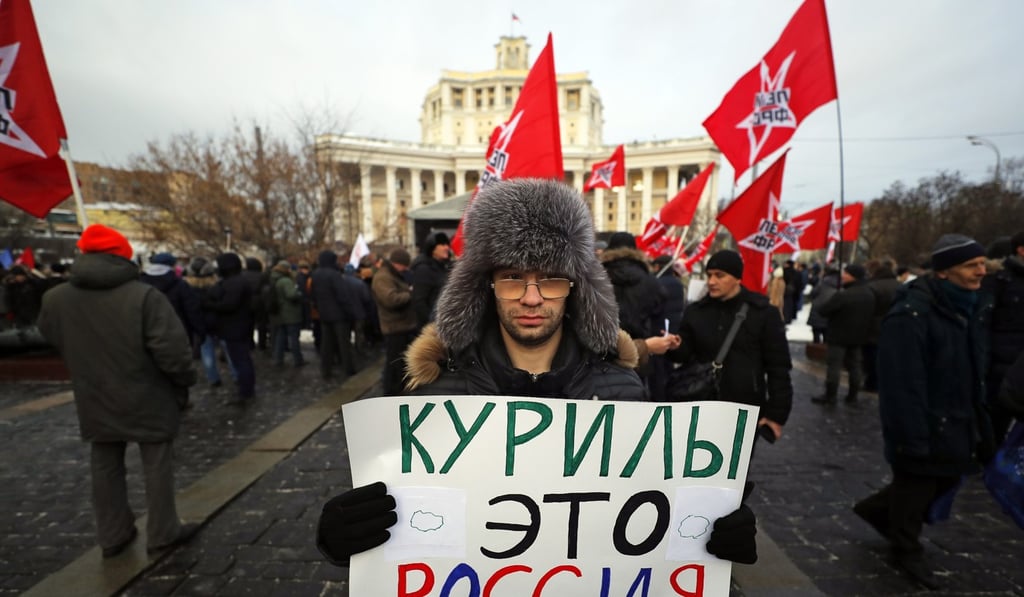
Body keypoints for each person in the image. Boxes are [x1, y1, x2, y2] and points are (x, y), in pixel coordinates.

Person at [316, 178, 758, 567]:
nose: (531, 298)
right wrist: (345, 542)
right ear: (486, 287)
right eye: (512, 277)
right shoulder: (432, 389)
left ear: (575, 289)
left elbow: (637, 519)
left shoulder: (623, 389)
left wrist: (702, 534)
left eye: (550, 278)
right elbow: (406, 519)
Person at [37, 224, 200, 558]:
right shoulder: (144, 297)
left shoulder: (56, 298)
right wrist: (185, 380)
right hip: (148, 392)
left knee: (105, 462)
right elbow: (171, 351)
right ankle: (163, 531)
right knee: (156, 461)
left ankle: (112, 533)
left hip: (94, 392)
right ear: (123, 256)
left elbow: (50, 335)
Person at [853, 234, 994, 589]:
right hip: (925, 417)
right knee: (915, 483)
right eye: (971, 265)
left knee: (948, 477)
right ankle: (905, 548)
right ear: (945, 272)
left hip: (959, 413)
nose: (982, 271)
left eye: (982, 263)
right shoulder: (911, 313)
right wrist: (910, 436)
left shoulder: (971, 305)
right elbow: (901, 382)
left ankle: (877, 510)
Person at [668, 249, 792, 444]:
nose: (711, 281)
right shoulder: (696, 311)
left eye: (720, 275)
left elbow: (779, 367)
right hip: (700, 404)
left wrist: (776, 415)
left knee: (735, 472)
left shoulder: (763, 313)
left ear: (736, 278)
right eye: (709, 275)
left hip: (743, 408)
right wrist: (674, 346)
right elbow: (685, 355)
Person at [812, 263, 876, 405]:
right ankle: (852, 396)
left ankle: (830, 395)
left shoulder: (844, 295)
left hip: (839, 336)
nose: (843, 276)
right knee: (855, 367)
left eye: (846, 273)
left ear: (853, 276)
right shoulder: (869, 293)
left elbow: (824, 310)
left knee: (834, 366)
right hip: (859, 336)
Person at [982, 230, 1024, 443]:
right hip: (1000, 366)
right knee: (995, 421)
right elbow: (984, 324)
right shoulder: (998, 280)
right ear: (1021, 250)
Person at [203, 253, 256, 404]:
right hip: (237, 326)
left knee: (241, 361)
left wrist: (209, 305)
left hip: (235, 327)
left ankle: (245, 391)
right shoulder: (236, 281)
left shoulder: (235, 283)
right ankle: (246, 389)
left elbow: (229, 305)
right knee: (241, 360)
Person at [370, 248, 417, 396]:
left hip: (402, 326)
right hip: (394, 327)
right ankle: (391, 394)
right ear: (397, 264)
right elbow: (390, 300)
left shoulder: (392, 275)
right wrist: (410, 293)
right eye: (404, 265)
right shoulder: (383, 277)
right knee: (393, 364)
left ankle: (397, 391)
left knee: (398, 363)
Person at [310, 250, 360, 381]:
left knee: (326, 345)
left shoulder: (315, 274)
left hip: (324, 314)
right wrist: (351, 312)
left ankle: (326, 370)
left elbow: (313, 295)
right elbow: (342, 296)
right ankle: (348, 369)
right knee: (344, 344)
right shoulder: (334, 275)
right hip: (339, 315)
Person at [410, 231, 451, 329]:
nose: (446, 247)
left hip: (444, 324)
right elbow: (419, 302)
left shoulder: (444, 266)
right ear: (432, 248)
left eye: (447, 244)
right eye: (442, 244)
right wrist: (432, 324)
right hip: (433, 327)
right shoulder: (423, 269)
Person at [269, 260, 305, 368]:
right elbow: (291, 295)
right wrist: (299, 293)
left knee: (280, 338)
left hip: (280, 313)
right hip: (290, 313)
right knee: (294, 338)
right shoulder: (286, 281)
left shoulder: (273, 278)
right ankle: (298, 360)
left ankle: (278, 359)